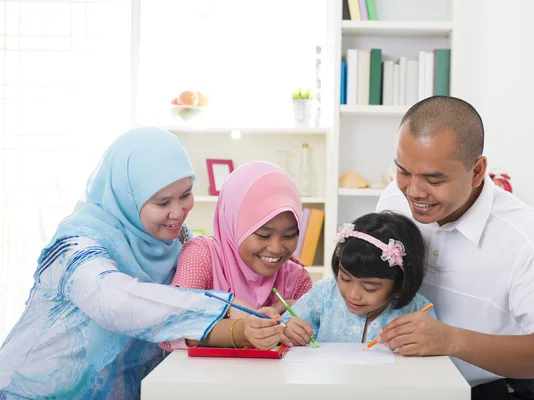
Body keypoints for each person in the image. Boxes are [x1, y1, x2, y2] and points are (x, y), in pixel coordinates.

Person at [0, 127, 289, 400]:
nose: (178, 213)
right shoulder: (76, 245)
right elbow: (113, 301)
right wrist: (222, 306)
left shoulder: (176, 240)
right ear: (128, 196)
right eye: (162, 203)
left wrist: (254, 315)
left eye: (186, 194)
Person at [375, 96, 534, 399]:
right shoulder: (393, 200)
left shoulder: (529, 234)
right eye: (404, 171)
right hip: (408, 381)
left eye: (434, 179)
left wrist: (450, 341)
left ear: (477, 171)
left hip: (493, 388)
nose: (414, 191)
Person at [159, 161, 313, 351]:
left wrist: (296, 329)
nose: (276, 248)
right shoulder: (203, 256)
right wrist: (241, 329)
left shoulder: (296, 278)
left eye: (289, 235)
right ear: (233, 224)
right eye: (263, 235)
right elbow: (169, 328)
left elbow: (312, 345)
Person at [281, 211, 434, 345]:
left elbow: (431, 362)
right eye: (345, 278)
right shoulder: (324, 292)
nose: (353, 294)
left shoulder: (417, 311)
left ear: (398, 285)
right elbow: (283, 326)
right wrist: (286, 329)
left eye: (369, 288)